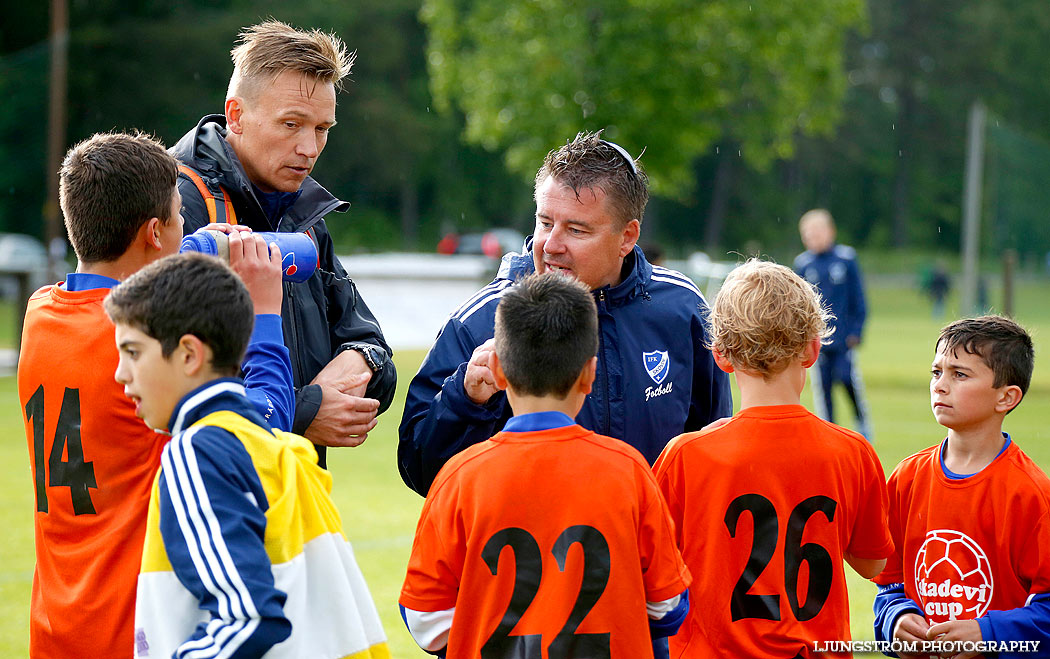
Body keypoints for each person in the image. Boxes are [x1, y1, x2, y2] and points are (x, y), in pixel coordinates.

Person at [17, 131, 293, 658]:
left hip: (58, 623)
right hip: (135, 628)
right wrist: (263, 317)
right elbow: (259, 435)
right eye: (179, 218)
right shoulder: (143, 345)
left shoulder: (41, 315)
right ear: (152, 232)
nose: (187, 228)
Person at [398, 131, 733, 496]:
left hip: (651, 551)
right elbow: (421, 471)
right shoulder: (481, 321)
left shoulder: (681, 308)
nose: (551, 245)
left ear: (627, 236)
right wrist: (465, 398)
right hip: (534, 553)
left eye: (576, 229)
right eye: (544, 222)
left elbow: (711, 452)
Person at [106, 253, 388, 659]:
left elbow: (249, 617)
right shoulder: (264, 441)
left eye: (132, 352)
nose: (121, 373)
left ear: (189, 354)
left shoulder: (196, 451)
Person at [399, 273, 692, 657]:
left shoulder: (460, 475)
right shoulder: (630, 471)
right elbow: (667, 607)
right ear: (590, 374)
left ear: (499, 372)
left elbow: (425, 618)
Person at [172, 19, 395, 466]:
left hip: (296, 503)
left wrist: (361, 360)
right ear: (235, 114)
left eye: (322, 129)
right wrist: (307, 409)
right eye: (291, 124)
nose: (309, 148)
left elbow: (374, 349)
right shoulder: (173, 204)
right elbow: (162, 380)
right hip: (211, 504)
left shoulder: (304, 212)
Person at [653, 259, 893, 658]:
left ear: (721, 355)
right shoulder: (851, 452)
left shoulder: (685, 456)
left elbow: (652, 570)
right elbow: (871, 565)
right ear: (814, 349)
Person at [873, 315, 1050, 658]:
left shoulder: (1031, 494)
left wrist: (988, 633)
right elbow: (888, 587)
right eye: (936, 372)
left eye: (960, 374)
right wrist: (896, 618)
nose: (939, 385)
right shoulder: (906, 479)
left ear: (1006, 398)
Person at [793, 208, 872, 440]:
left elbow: (858, 299)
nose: (812, 238)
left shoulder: (846, 259)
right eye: (807, 234)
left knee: (846, 377)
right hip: (817, 340)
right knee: (823, 387)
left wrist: (856, 331)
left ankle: (861, 420)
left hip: (843, 337)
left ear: (830, 231)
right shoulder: (803, 264)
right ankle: (830, 430)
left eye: (817, 232)